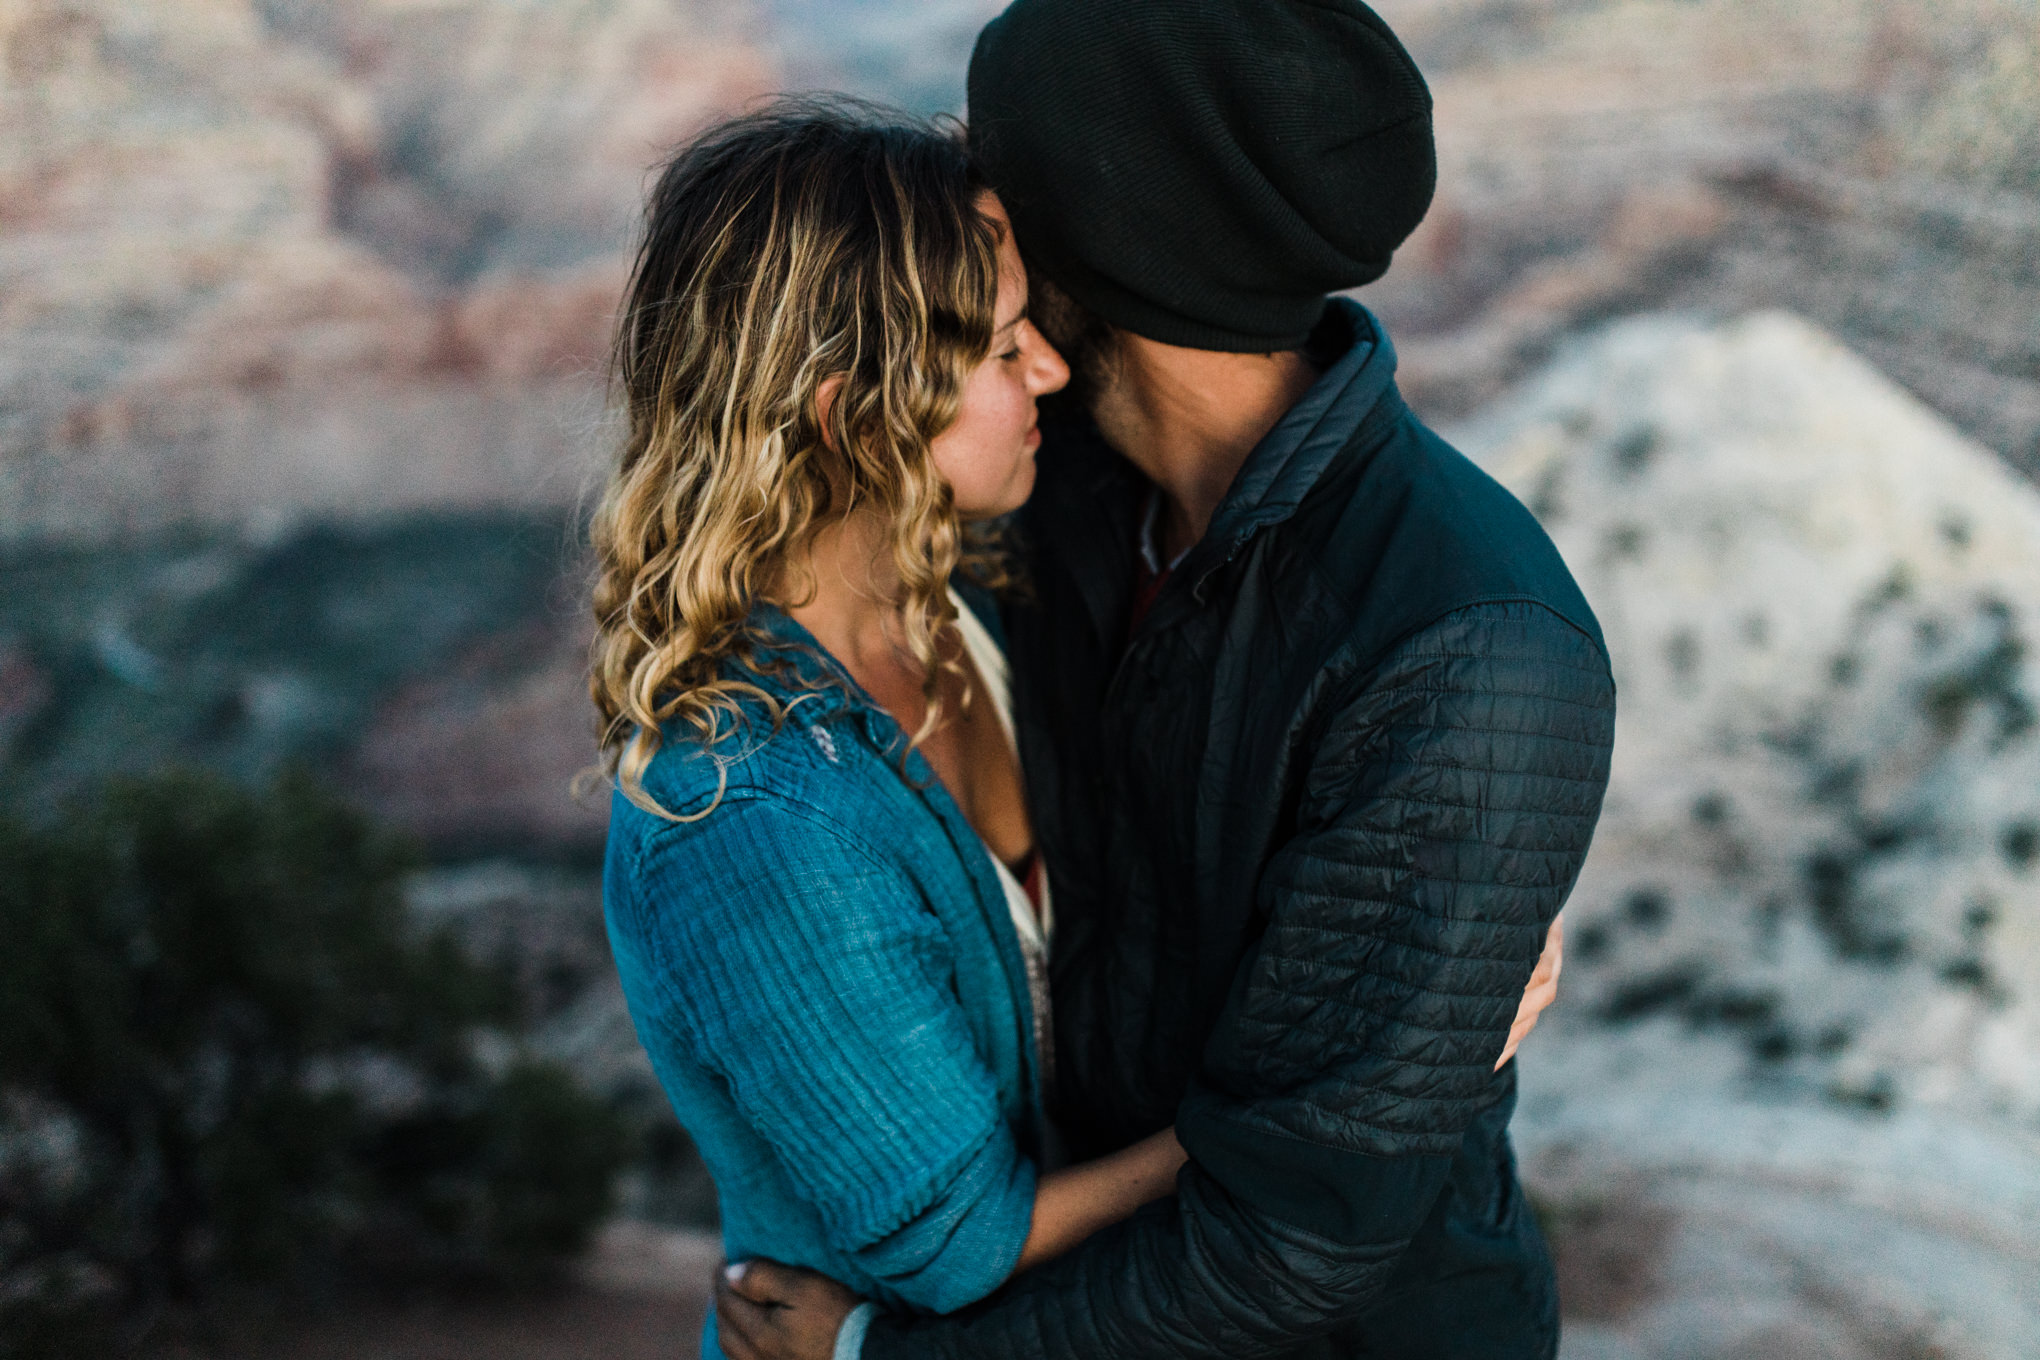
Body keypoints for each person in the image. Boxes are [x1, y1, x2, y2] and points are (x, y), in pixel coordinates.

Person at [594, 99, 1567, 1360]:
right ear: (850, 412)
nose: (1052, 366)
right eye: (1003, 354)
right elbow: (957, 1242)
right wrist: (1362, 1093)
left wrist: (1421, 974)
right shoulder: (753, 817)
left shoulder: (967, 596)